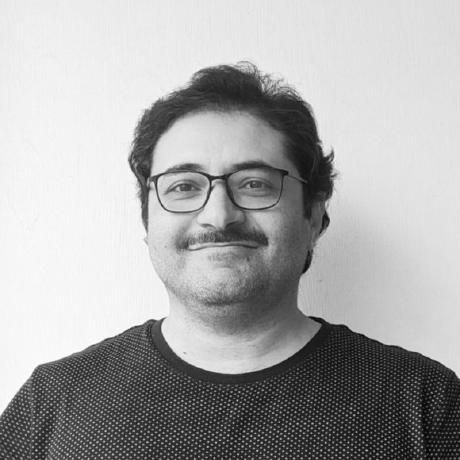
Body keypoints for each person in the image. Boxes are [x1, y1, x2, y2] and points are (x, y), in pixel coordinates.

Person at [1, 62, 459, 459]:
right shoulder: (51, 404)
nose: (218, 215)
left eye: (255, 184)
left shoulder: (426, 403)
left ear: (313, 217)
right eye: (184, 186)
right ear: (147, 222)